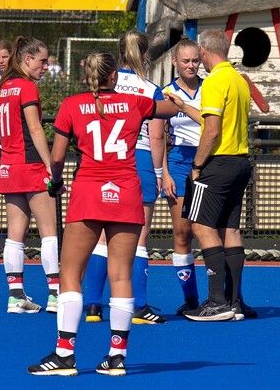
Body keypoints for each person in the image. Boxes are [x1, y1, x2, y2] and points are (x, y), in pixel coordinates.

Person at [28, 51, 179, 377]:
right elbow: (171, 107)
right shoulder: (135, 102)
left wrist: (55, 181)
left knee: (69, 273)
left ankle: (65, 354)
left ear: (88, 77)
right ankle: (116, 356)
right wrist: (172, 96)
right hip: (125, 193)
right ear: (114, 76)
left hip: (88, 195)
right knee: (121, 275)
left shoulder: (71, 106)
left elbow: (56, 159)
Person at [81, 30, 167, 325]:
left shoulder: (103, 84)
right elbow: (156, 137)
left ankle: (92, 305)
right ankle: (140, 306)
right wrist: (157, 173)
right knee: (139, 238)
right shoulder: (151, 89)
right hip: (138, 158)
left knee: (102, 238)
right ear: (145, 55)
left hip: (104, 158)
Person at [171, 29, 256, 321]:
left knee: (200, 227)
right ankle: (235, 301)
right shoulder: (239, 80)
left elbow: (212, 130)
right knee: (230, 230)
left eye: (199, 56)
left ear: (205, 52)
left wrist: (196, 165)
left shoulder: (215, 81)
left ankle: (216, 301)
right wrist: (183, 106)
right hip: (240, 162)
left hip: (217, 164)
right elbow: (213, 118)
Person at [0, 36, 60, 314]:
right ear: (27, 59)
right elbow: (35, 130)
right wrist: (51, 166)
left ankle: (15, 297)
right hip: (30, 164)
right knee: (49, 233)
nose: (45, 66)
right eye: (42, 61)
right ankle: (56, 295)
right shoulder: (26, 87)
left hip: (9, 166)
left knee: (15, 235)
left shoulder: (4, 87)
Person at [161, 38, 203, 315]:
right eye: (185, 61)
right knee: (182, 230)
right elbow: (158, 137)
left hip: (207, 160)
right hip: (177, 161)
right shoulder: (165, 93)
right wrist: (164, 173)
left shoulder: (210, 88)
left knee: (211, 231)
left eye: (195, 60)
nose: (190, 65)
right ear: (175, 62)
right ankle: (190, 299)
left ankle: (227, 296)